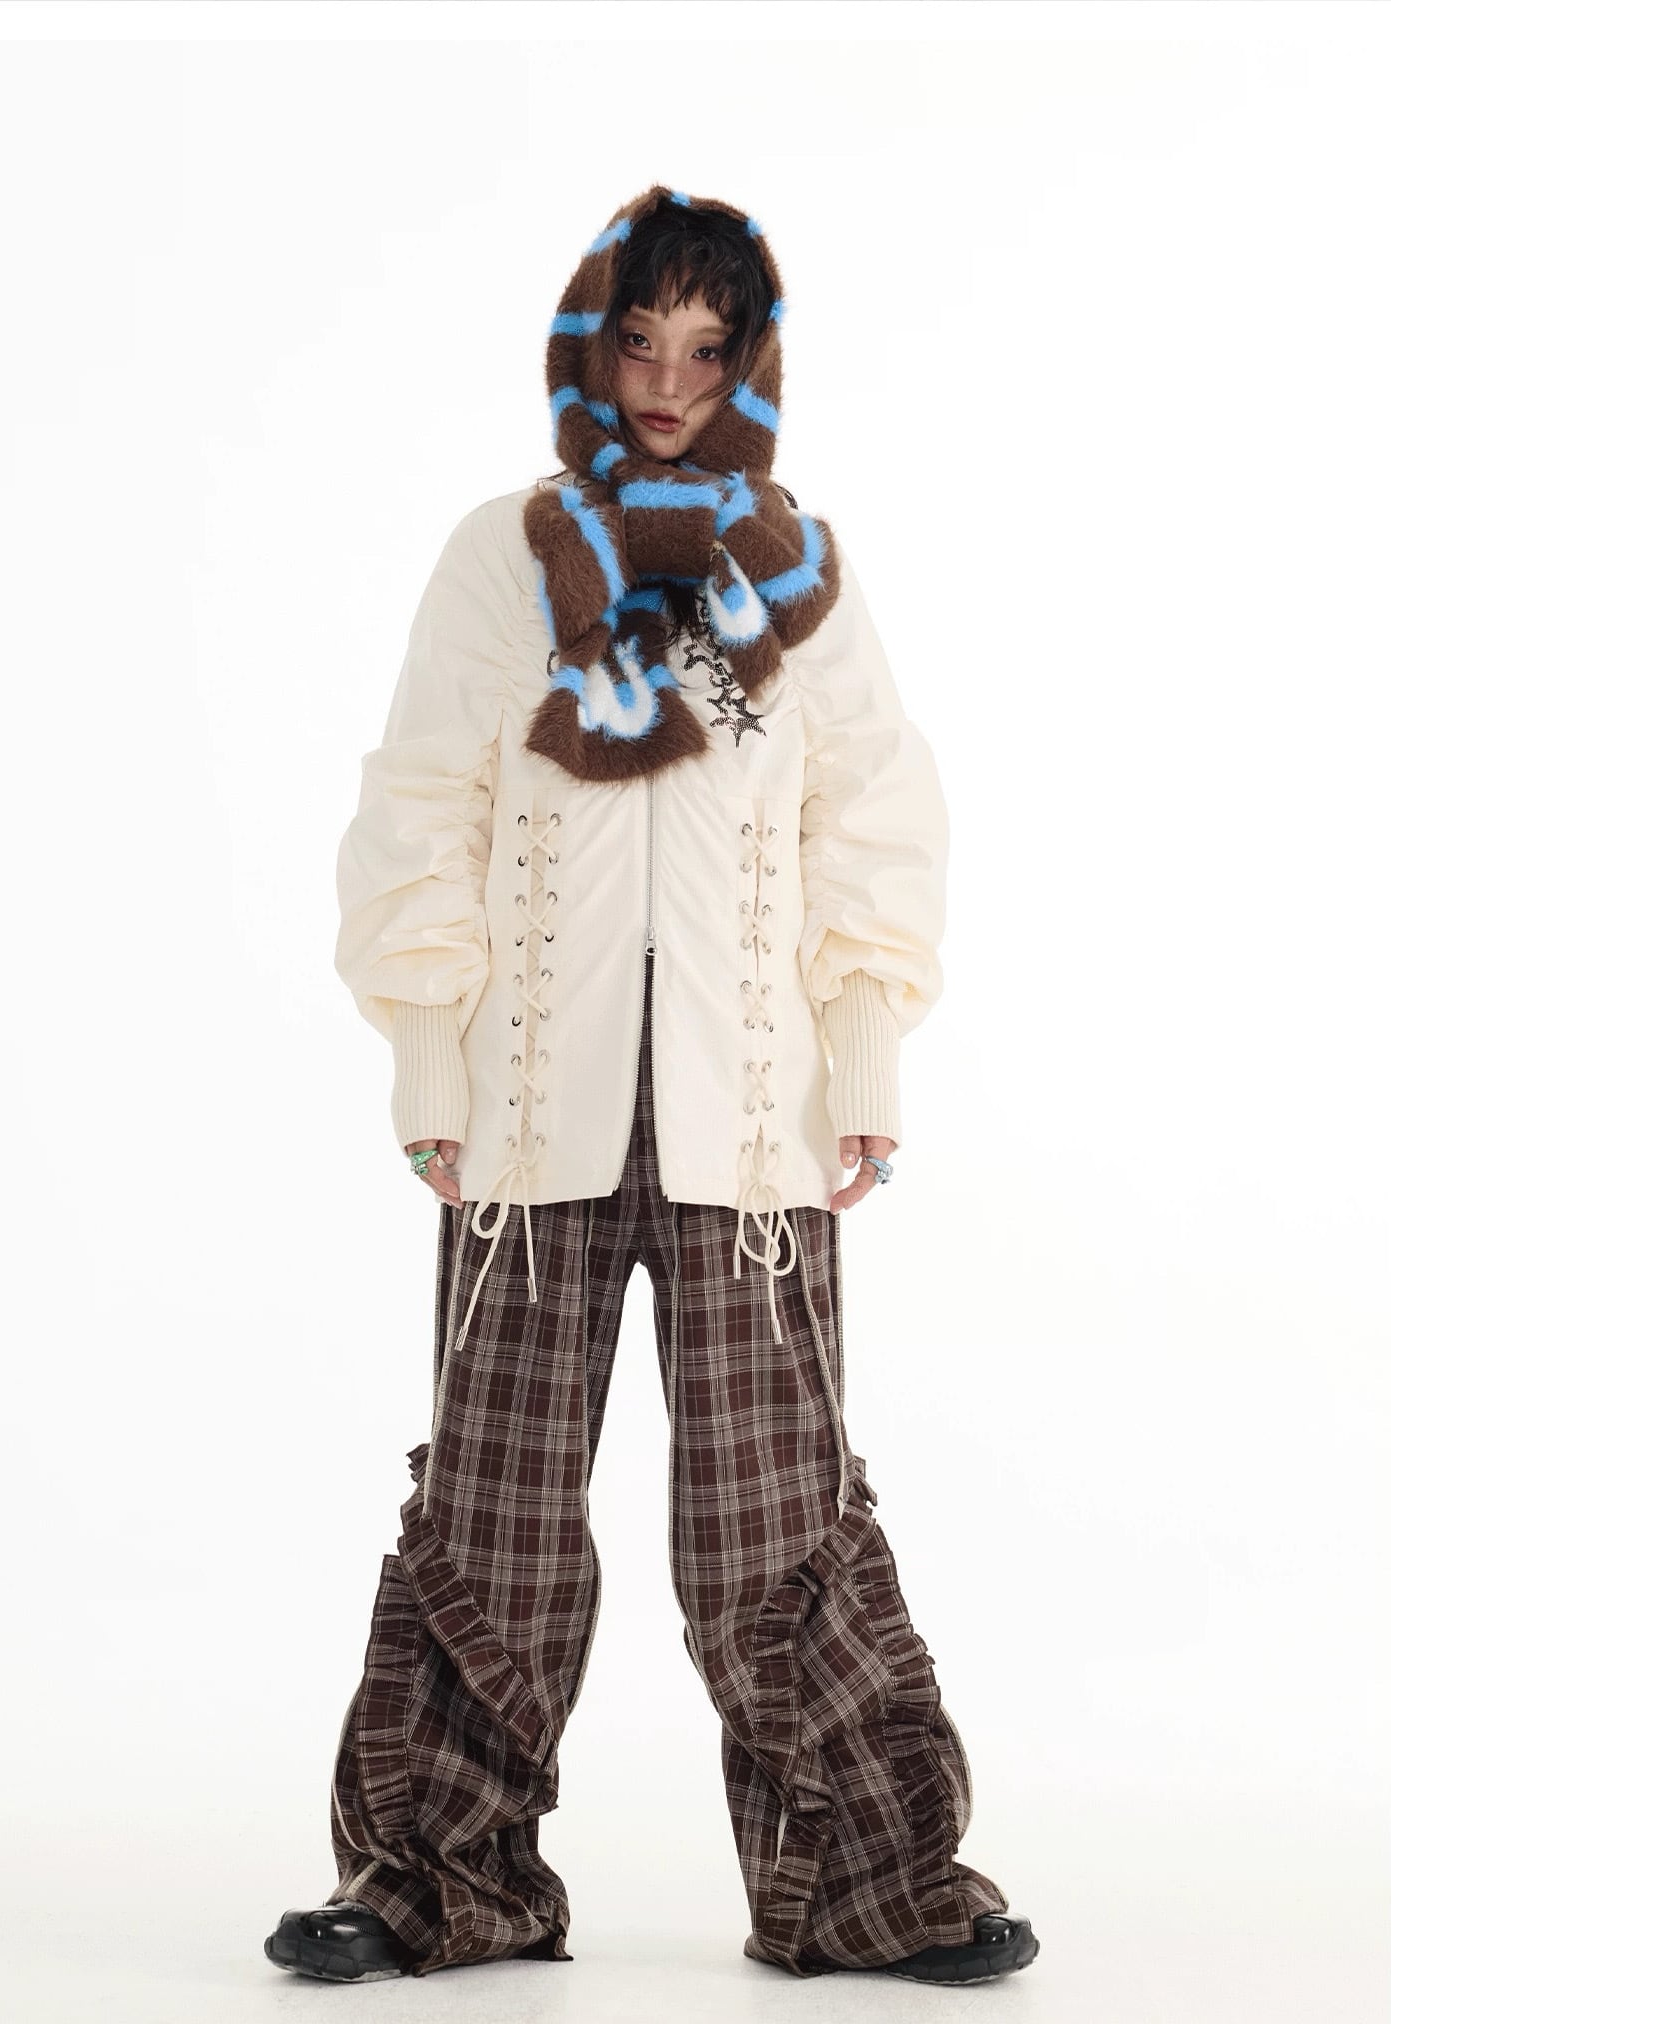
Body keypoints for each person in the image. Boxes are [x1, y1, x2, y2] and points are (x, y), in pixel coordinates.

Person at [262, 184, 1039, 1988]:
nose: (671, 381)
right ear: (585, 348)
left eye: (708, 348)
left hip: (752, 1122)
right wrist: (429, 1046)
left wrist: (865, 1045)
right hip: (526, 1109)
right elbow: (424, 801)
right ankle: (438, 1876)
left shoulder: (798, 569)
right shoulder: (502, 554)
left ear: (752, 364)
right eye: (639, 341)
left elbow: (870, 813)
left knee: (776, 1521)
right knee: (493, 1510)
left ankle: (863, 1883)